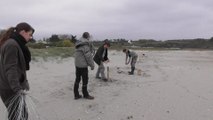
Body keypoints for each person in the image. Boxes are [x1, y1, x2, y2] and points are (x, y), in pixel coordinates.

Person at [0, 22, 34, 120]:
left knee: (18, 115)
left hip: (10, 87)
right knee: (19, 116)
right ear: (23, 32)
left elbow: (17, 67)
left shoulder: (15, 43)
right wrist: (17, 89)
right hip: (10, 89)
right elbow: (11, 69)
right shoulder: (12, 44)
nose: (31, 37)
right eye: (30, 34)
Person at [74, 32, 95, 100]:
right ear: (87, 37)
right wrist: (92, 65)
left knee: (77, 79)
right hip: (83, 66)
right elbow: (88, 56)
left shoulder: (78, 43)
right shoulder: (85, 45)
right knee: (85, 80)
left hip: (77, 65)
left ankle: (76, 95)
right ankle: (85, 94)